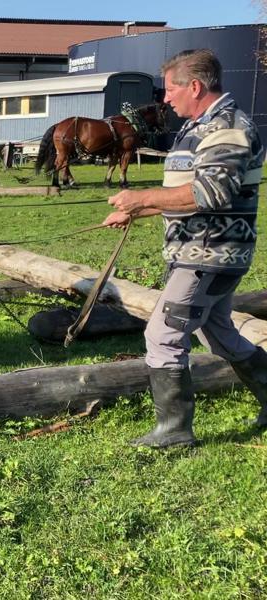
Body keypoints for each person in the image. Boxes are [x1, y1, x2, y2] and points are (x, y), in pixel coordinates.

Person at [103, 48, 267, 448]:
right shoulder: (200, 126)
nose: (165, 98)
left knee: (163, 334)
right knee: (220, 335)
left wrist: (141, 199)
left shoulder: (226, 127)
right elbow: (188, 192)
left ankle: (174, 430)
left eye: (171, 88)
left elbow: (213, 193)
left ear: (194, 86)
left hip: (210, 253)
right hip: (201, 251)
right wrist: (137, 212)